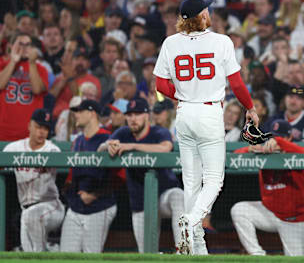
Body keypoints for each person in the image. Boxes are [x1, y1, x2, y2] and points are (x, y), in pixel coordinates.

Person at [152, 0, 260, 255]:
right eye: (206, 10)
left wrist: (182, 96)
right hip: (209, 112)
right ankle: (191, 221)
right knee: (213, 180)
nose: (209, 12)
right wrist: (250, 107)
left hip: (185, 113)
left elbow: (159, 85)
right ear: (201, 16)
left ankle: (195, 246)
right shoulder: (221, 41)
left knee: (191, 182)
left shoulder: (170, 42)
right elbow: (235, 83)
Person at [98, 98, 184, 253]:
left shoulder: (159, 131)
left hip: (164, 196)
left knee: (179, 196)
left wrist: (133, 146)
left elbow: (166, 147)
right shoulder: (123, 133)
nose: (133, 119)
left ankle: (183, 250)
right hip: (140, 203)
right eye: (129, 115)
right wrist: (108, 146)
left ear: (146, 115)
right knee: (146, 254)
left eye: (137, 114)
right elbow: (101, 148)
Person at [230, 120, 304, 256]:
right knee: (239, 210)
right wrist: (249, 149)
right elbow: (233, 158)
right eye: (272, 137)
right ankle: (258, 255)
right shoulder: (264, 154)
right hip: (270, 213)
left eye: (279, 137)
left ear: (289, 138)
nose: (273, 141)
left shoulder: (296, 154)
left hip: (295, 219)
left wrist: (281, 143)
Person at [3, 109, 64, 252]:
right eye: (38, 127)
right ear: (29, 125)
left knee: (32, 216)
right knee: (28, 253)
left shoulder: (52, 150)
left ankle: (42, 252)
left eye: (45, 128)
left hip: (51, 206)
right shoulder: (14, 148)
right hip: (25, 209)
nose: (42, 132)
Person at [60, 100, 117, 253]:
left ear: (92, 114)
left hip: (100, 205)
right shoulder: (78, 140)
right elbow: (72, 174)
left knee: (91, 256)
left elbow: (118, 177)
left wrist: (95, 194)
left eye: (80, 111)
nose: (75, 115)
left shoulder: (107, 138)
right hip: (76, 206)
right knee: (66, 255)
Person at [0, 33, 49, 141]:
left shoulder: (41, 69)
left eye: (28, 45)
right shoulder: (2, 65)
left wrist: (32, 63)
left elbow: (36, 90)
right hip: (2, 133)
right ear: (10, 47)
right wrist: (13, 61)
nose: (24, 48)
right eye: (20, 44)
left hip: (30, 135)